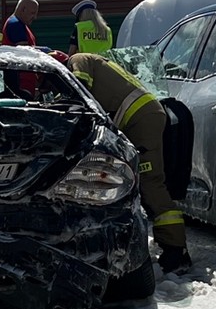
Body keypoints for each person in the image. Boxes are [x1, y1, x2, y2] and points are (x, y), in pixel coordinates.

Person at [67, 52, 190, 273]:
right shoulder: (94, 61)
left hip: (141, 119)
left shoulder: (77, 60)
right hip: (141, 117)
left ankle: (176, 249)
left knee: (150, 181)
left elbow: (79, 92)